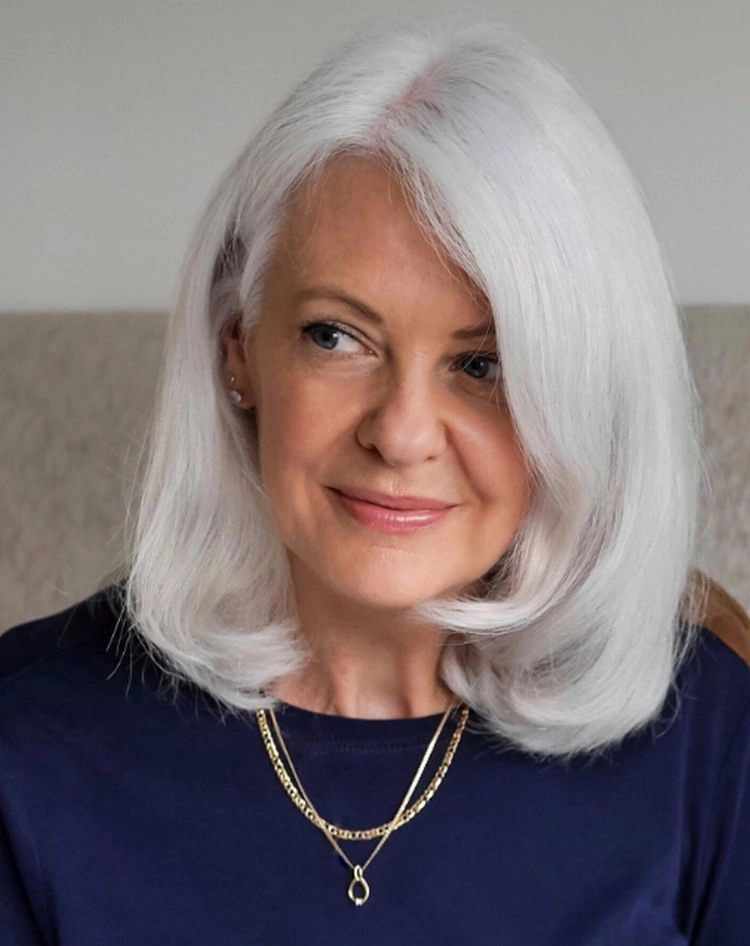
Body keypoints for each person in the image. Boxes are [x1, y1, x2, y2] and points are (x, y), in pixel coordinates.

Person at [1, 12, 749, 945]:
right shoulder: (26, 740)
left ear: (581, 402)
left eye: (483, 364)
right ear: (238, 349)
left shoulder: (711, 746)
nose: (400, 434)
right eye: (336, 336)